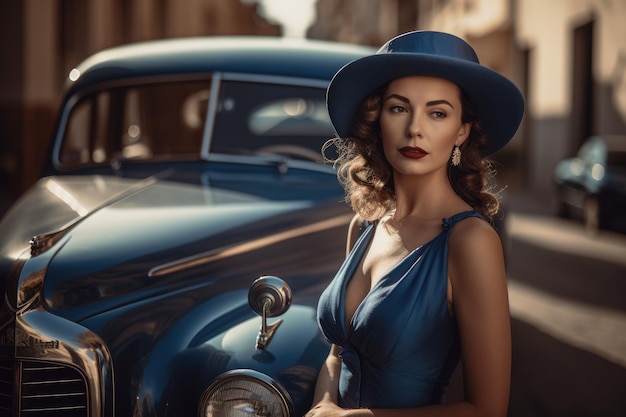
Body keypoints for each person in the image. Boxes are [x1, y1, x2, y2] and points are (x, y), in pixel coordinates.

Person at [306, 30, 524, 417]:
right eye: (398, 108)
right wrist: (323, 405)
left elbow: (488, 409)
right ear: (377, 120)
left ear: (461, 130)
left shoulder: (470, 240)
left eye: (437, 112)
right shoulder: (364, 225)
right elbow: (337, 353)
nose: (415, 129)